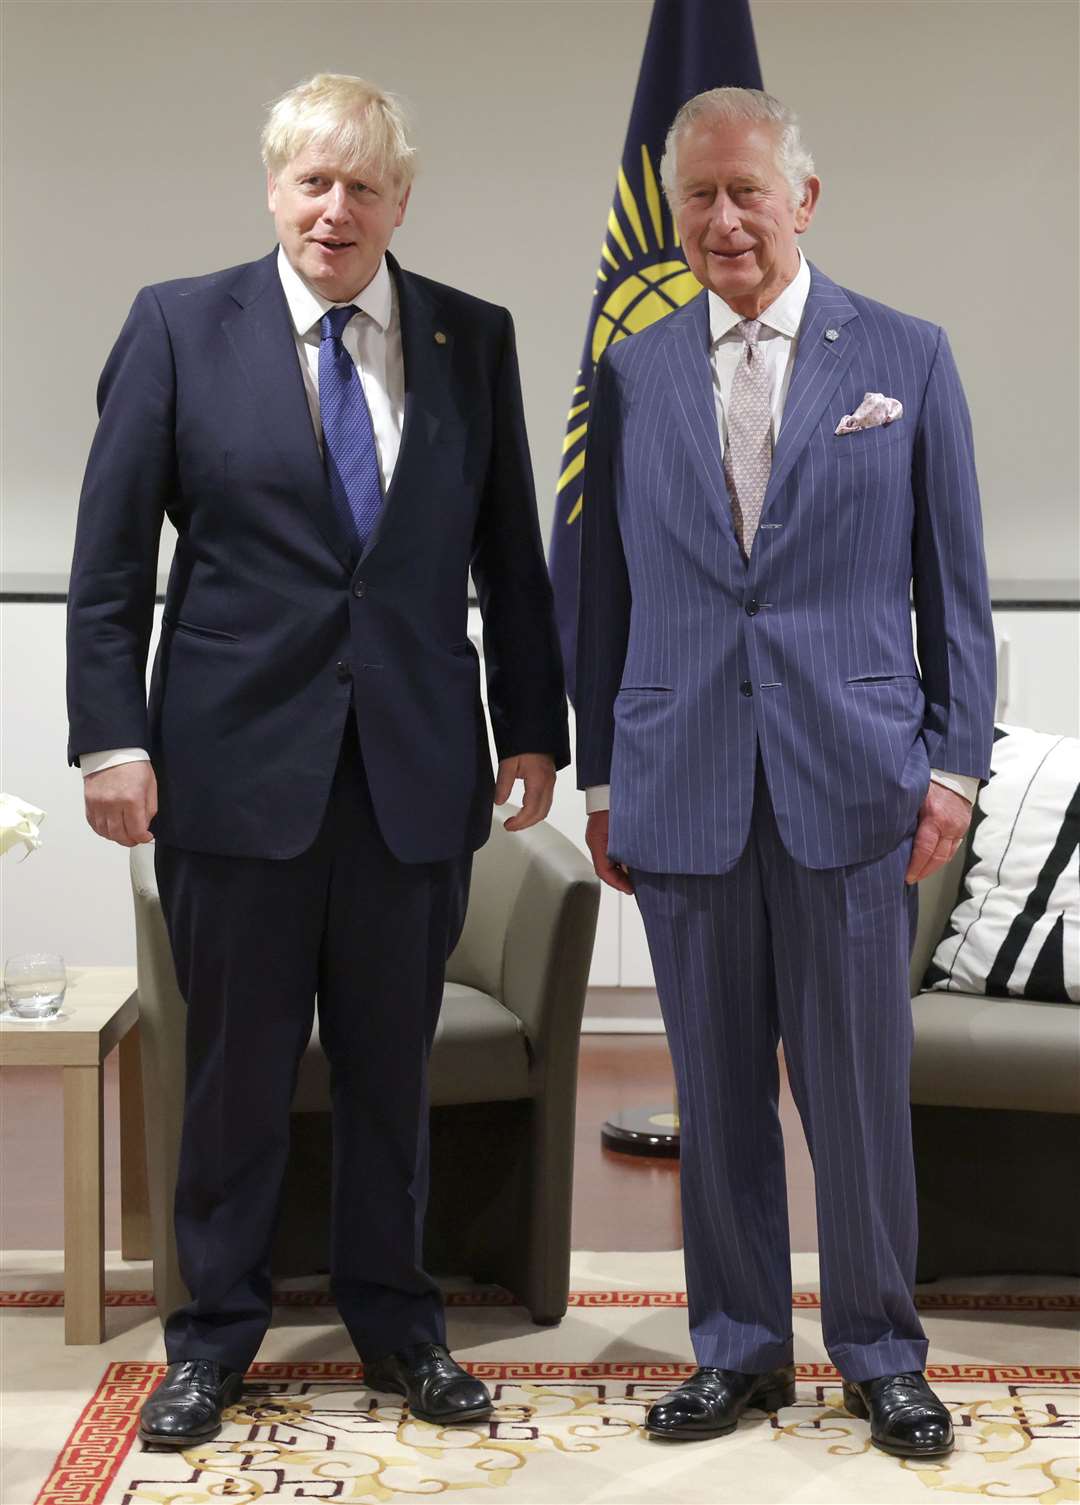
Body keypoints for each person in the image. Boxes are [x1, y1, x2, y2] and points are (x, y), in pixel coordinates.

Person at [67, 72, 568, 1448]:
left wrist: (533, 724)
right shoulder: (179, 327)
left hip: (413, 776)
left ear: (401, 200)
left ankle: (400, 1324)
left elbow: (507, 559)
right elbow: (112, 563)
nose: (335, 208)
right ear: (273, 188)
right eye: (312, 181)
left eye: (364, 185)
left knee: (391, 1071)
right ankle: (211, 1338)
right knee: (233, 1072)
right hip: (230, 775)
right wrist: (111, 736)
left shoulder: (474, 336)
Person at [576, 87, 994, 1458]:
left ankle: (880, 1349)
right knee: (714, 1083)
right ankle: (739, 1348)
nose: (723, 218)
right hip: (682, 773)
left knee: (858, 1088)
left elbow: (959, 592)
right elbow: (606, 589)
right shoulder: (631, 374)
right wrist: (599, 775)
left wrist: (957, 768)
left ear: (802, 198)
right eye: (699, 195)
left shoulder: (907, 356)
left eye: (748, 190)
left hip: (857, 780)